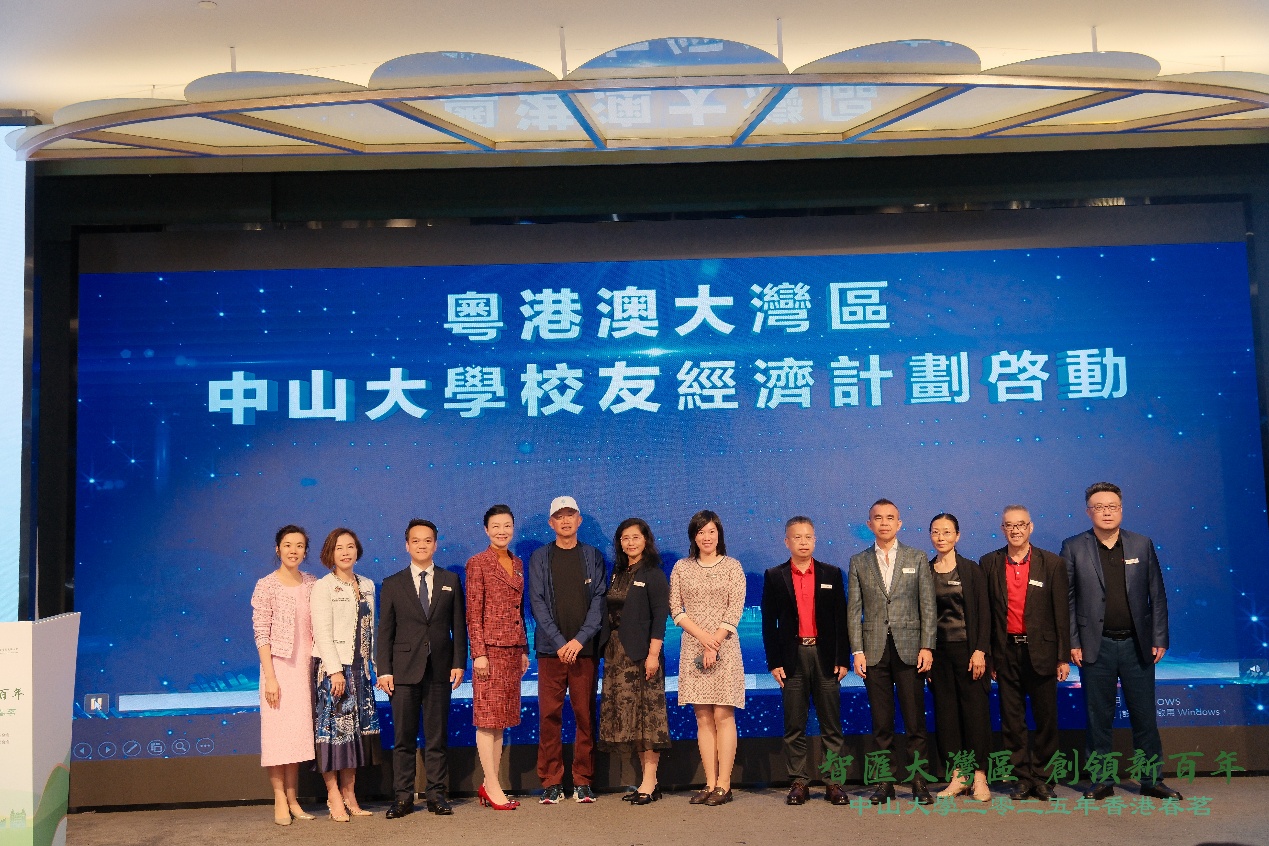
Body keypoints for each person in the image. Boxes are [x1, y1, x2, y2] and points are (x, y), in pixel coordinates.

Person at [1061, 482, 1182, 801]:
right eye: (1099, 507)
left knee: (1145, 717)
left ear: (1121, 509)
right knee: (1098, 717)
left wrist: (1159, 637)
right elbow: (1067, 599)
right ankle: (1101, 780)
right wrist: (1072, 641)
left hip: (1137, 645)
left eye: (1112, 506)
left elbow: (1157, 594)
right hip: (1094, 645)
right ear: (1088, 512)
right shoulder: (1073, 547)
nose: (1106, 512)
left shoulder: (1141, 544)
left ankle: (1151, 779)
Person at [847, 499, 937, 805]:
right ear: (869, 524)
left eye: (890, 518)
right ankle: (884, 782)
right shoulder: (859, 561)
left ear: (899, 523)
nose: (884, 523)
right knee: (881, 723)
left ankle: (919, 781)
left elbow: (928, 606)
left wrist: (927, 646)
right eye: (878, 518)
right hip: (874, 650)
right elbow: (854, 610)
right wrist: (857, 650)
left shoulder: (917, 557)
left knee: (915, 722)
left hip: (911, 649)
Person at [376, 519, 467, 818]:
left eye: (427, 540)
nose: (422, 545)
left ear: (435, 544)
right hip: (403, 672)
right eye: (416, 541)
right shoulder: (393, 583)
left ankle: (436, 795)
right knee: (403, 739)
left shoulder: (450, 580)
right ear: (407, 545)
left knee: (436, 738)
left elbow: (458, 626)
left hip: (440, 669)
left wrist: (459, 662)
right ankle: (403, 798)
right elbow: (385, 631)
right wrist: (384, 670)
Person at [981, 504, 1070, 801]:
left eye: (1021, 524)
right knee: (1012, 720)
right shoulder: (989, 562)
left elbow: (1061, 613)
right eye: (1009, 525)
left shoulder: (1052, 563)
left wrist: (1062, 657)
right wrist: (989, 655)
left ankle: (1043, 778)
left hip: (1042, 651)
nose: (1015, 530)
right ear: (1002, 529)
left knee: (1046, 718)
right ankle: (1021, 777)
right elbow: (987, 615)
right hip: (1006, 652)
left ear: (1030, 527)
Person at [760, 516, 851, 806]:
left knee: (831, 725)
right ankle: (799, 782)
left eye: (808, 537)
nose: (803, 542)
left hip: (825, 656)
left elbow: (841, 620)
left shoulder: (831, 573)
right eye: (797, 537)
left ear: (815, 540)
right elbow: (768, 623)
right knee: (794, 725)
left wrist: (842, 658)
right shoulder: (775, 575)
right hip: (792, 657)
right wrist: (774, 662)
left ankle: (833, 782)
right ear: (786, 541)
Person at [528, 495, 608, 804]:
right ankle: (551, 781)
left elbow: (599, 600)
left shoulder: (592, 556)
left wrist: (579, 641)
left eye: (570, 515)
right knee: (549, 716)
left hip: (583, 651)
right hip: (551, 652)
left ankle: (583, 780)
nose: (565, 520)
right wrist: (560, 643)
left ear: (579, 520)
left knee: (584, 715)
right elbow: (537, 602)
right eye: (559, 516)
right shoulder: (540, 557)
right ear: (551, 523)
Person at [670, 510, 747, 807]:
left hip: (724, 646)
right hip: (693, 646)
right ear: (693, 536)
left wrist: (714, 642)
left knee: (723, 716)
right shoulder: (681, 567)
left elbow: (735, 608)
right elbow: (675, 609)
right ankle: (710, 782)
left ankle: (724, 785)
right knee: (703, 717)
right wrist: (703, 638)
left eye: (711, 531)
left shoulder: (733, 567)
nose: (706, 537)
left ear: (719, 534)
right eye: (701, 532)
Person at [598, 518, 671, 805]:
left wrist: (653, 655)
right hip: (617, 655)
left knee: (647, 719)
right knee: (633, 721)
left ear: (646, 540)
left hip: (642, 655)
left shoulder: (653, 573)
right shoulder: (617, 572)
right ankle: (647, 781)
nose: (630, 543)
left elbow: (659, 618)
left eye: (635, 537)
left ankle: (650, 782)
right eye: (625, 538)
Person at [310, 528, 380, 821]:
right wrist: (335, 671)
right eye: (339, 548)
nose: (346, 552)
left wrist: (375, 665)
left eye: (350, 546)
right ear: (330, 553)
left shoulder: (367, 584)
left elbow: (371, 629)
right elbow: (322, 632)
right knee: (334, 734)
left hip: (360, 670)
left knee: (355, 735)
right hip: (334, 670)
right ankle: (333, 795)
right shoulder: (323, 586)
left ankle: (350, 794)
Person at [251, 524, 317, 826]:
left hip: (304, 670)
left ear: (305, 551)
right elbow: (261, 633)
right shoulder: (266, 585)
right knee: (277, 736)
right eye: (288, 545)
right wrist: (271, 677)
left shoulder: (312, 583)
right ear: (278, 549)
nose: (294, 551)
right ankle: (279, 798)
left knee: (296, 737)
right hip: (277, 670)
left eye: (299, 545)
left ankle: (293, 798)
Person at [466, 504, 530, 811]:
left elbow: (519, 609)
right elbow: (473, 612)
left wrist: (524, 649)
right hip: (489, 652)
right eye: (496, 526)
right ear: (486, 530)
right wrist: (478, 653)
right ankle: (492, 785)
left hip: (512, 650)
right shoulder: (477, 563)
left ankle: (490, 783)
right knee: (486, 718)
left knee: (500, 720)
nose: (502, 531)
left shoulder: (517, 563)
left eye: (507, 526)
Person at [925, 513, 992, 803]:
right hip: (938, 655)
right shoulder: (925, 571)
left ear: (958, 536)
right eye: (935, 532)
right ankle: (958, 776)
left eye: (947, 532)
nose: (941, 537)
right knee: (947, 716)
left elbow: (985, 613)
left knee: (975, 715)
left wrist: (980, 650)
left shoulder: (971, 570)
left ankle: (979, 777)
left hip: (969, 652)